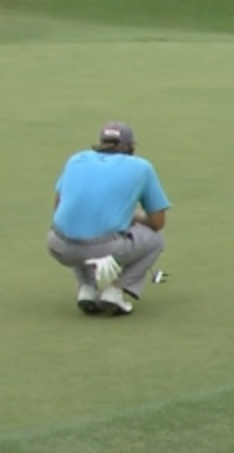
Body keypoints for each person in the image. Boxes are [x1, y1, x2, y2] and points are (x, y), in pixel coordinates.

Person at [47, 121, 171, 316]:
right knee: (156, 241)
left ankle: (86, 289)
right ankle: (115, 291)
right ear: (131, 147)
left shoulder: (76, 159)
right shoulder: (141, 167)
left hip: (58, 245)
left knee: (79, 226)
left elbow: (58, 206)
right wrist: (134, 217)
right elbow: (158, 222)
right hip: (104, 248)